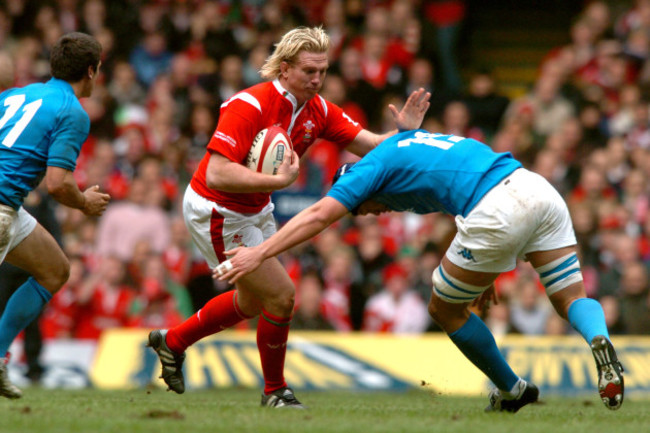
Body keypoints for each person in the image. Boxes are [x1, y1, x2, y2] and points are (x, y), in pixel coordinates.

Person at [217, 129, 624, 413]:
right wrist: (482, 273)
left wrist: (261, 252)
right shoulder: (398, 149)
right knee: (571, 297)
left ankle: (512, 389)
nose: (373, 213)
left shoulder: (364, 174)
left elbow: (320, 215)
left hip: (496, 207)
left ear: (358, 189)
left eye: (364, 208)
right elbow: (438, 174)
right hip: (536, 188)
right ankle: (600, 341)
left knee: (444, 309)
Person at [146, 26, 430, 408]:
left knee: (251, 301)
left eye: (323, 71)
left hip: (255, 205)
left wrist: (402, 134)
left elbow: (370, 146)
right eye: (308, 71)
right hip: (218, 209)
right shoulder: (250, 104)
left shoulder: (319, 109)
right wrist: (277, 181)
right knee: (282, 296)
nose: (317, 79)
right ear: (283, 69)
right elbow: (216, 172)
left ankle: (173, 342)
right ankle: (275, 391)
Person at [0, 32, 110, 399]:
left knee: (54, 269)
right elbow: (58, 185)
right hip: (1, 207)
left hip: (9, 208)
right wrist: (85, 204)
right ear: (91, 71)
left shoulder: (16, 94)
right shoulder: (72, 112)